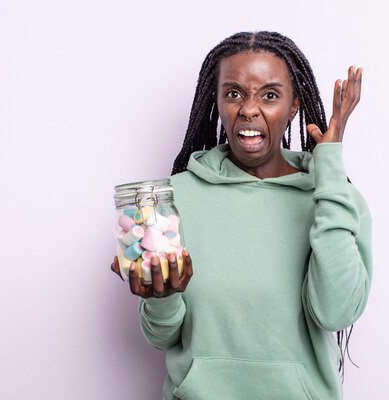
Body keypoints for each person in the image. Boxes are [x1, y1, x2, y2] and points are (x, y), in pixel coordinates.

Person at [112, 31, 372, 400]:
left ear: (294, 104)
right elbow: (161, 336)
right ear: (216, 101)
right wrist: (161, 297)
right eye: (233, 93)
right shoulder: (174, 198)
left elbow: (335, 313)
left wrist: (328, 167)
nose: (249, 109)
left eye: (269, 95)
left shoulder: (336, 199)